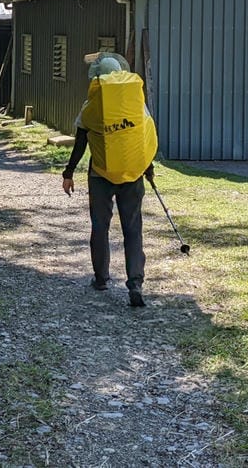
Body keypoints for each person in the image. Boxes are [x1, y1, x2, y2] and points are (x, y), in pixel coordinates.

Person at [62, 52, 156, 308]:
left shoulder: (91, 106)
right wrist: (148, 167)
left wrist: (68, 173)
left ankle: (101, 278)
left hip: (101, 174)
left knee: (100, 227)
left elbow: (80, 144)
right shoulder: (136, 102)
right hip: (133, 174)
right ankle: (135, 283)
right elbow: (143, 137)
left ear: (97, 78)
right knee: (133, 229)